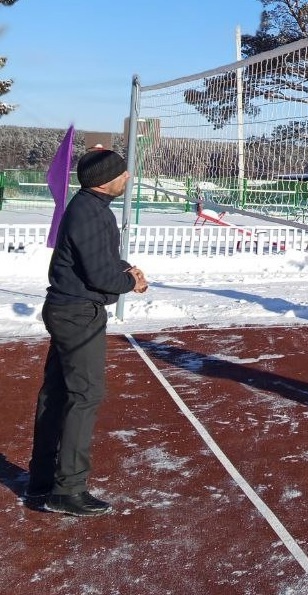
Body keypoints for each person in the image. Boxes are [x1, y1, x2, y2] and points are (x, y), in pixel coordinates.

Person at [25, 149, 149, 516]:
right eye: (123, 173)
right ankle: (67, 489)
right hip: (77, 314)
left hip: (69, 309)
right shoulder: (91, 213)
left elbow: (98, 260)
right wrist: (130, 282)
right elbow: (101, 276)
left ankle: (42, 478)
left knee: (59, 391)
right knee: (85, 395)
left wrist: (126, 270)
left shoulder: (89, 207)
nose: (128, 178)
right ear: (105, 179)